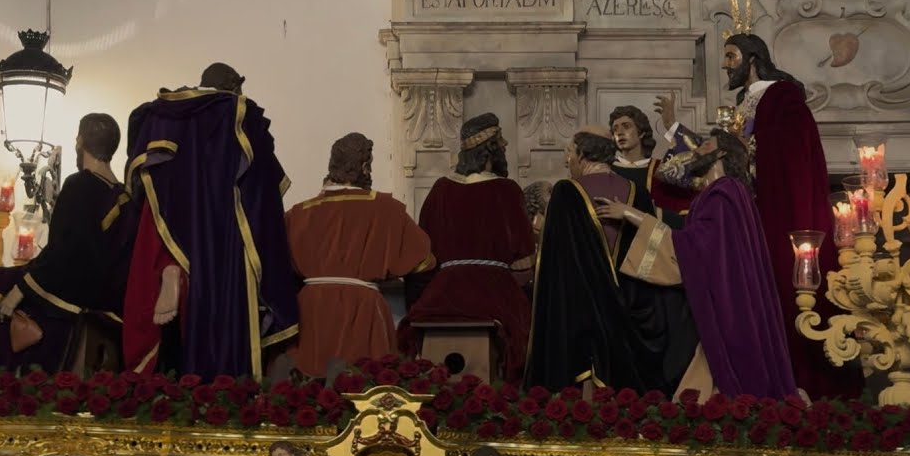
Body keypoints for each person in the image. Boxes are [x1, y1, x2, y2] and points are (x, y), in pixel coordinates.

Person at [651, 30, 844, 398]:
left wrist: (719, 147)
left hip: (769, 218)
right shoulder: (744, 108)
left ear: (752, 58)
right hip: (742, 218)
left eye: (731, 56)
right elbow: (721, 156)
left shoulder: (779, 99)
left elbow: (753, 156)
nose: (725, 65)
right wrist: (676, 130)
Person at [122, 63, 299, 380]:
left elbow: (140, 187)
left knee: (169, 349)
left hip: (168, 228)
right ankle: (224, 392)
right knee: (228, 311)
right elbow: (262, 195)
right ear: (232, 84)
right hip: (225, 237)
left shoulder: (160, 115)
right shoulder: (240, 115)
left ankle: (171, 268)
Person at [595, 129, 796, 400]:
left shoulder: (724, 192)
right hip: (727, 296)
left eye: (705, 145)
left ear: (721, 152)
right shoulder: (723, 194)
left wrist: (630, 214)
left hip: (726, 304)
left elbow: (694, 248)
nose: (696, 150)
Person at [0, 113, 136, 373]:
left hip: (67, 292)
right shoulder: (125, 196)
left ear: (80, 141)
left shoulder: (80, 184)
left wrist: (19, 291)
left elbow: (63, 251)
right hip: (104, 297)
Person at [527, 127, 696, 395]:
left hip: (581, 311)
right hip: (632, 309)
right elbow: (649, 255)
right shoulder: (636, 191)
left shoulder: (566, 191)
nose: (566, 160)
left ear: (583, 154)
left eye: (569, 152)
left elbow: (556, 265)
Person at [284, 133, 435, 377]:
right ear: (365, 167)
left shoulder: (299, 214)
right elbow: (422, 262)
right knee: (363, 385)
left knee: (308, 389)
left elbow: (283, 270)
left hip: (310, 310)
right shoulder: (386, 210)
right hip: (362, 308)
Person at [399, 113, 535, 383]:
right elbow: (524, 256)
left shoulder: (440, 190)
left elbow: (425, 251)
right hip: (495, 289)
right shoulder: (507, 190)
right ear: (490, 149)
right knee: (522, 340)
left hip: (445, 289)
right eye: (501, 144)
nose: (505, 149)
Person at [609, 105, 685, 228]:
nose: (620, 132)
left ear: (641, 132)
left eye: (626, 126)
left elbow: (696, 163)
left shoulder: (660, 169)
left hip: (650, 241)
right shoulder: (607, 169)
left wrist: (671, 126)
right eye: (615, 129)